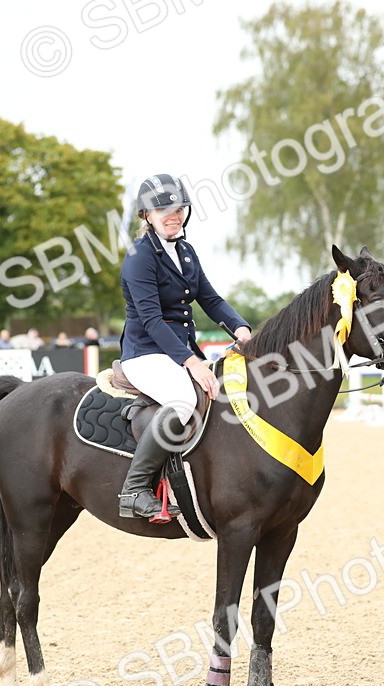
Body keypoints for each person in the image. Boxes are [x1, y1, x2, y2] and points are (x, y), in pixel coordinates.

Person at [117, 173, 252, 519]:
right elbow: (151, 320)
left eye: (178, 208)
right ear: (146, 215)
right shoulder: (139, 257)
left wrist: (241, 329)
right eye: (163, 210)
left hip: (179, 351)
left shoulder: (186, 251)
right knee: (184, 400)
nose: (172, 215)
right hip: (146, 353)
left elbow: (209, 298)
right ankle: (134, 489)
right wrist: (192, 363)